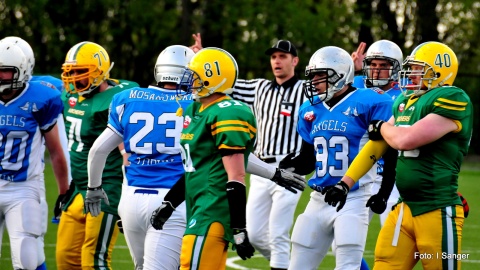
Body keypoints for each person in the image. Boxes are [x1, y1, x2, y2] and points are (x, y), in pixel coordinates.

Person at [334, 41, 472, 269]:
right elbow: (376, 146)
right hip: (404, 206)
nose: (412, 74)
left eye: (419, 69)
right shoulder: (404, 102)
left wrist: (381, 126)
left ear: (439, 72)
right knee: (385, 263)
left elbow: (404, 140)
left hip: (436, 207)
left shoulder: (453, 98)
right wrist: (345, 184)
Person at [190, 33, 308, 270]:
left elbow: (335, 89)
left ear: (294, 61)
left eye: (282, 56)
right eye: (274, 57)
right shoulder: (259, 87)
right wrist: (203, 60)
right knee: (253, 233)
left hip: (288, 169)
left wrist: (354, 72)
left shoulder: (306, 90)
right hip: (259, 169)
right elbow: (221, 82)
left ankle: (285, 264)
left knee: (278, 233)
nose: (277, 61)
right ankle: (291, 265)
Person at [280, 46, 393, 269]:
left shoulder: (370, 102)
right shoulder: (309, 109)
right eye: (312, 76)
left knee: (347, 263)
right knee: (297, 264)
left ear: (340, 75)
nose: (314, 82)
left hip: (353, 197)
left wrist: (384, 191)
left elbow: (389, 150)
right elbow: (308, 158)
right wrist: (291, 166)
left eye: (320, 76)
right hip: (318, 198)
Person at [84, 45, 195, 270]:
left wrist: (94, 188)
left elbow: (98, 150)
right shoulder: (195, 103)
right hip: (173, 199)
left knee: (141, 266)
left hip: (131, 199)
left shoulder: (127, 98)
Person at [150, 47, 257, 269]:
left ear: (214, 78)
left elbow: (236, 175)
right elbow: (194, 169)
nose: (189, 82)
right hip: (197, 208)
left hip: (211, 211)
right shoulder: (194, 110)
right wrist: (169, 203)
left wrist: (239, 228)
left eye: (195, 77)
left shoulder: (228, 112)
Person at [56, 41, 139, 270]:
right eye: (70, 72)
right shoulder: (68, 96)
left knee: (94, 260)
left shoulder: (116, 99)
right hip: (77, 187)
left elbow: (126, 146)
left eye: (80, 72)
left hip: (105, 187)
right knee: (65, 260)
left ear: (99, 72)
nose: (73, 78)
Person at [0, 41, 69, 270]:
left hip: (23, 187)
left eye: (6, 71)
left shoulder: (42, 98)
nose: (1, 76)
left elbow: (56, 151)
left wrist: (63, 192)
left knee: (28, 258)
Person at [351, 40, 403, 224]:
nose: (376, 69)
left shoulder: (405, 93)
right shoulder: (357, 84)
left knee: (391, 237)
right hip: (363, 171)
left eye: (383, 65)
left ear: (395, 68)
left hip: (392, 173)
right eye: (373, 64)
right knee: (343, 240)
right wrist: (352, 70)